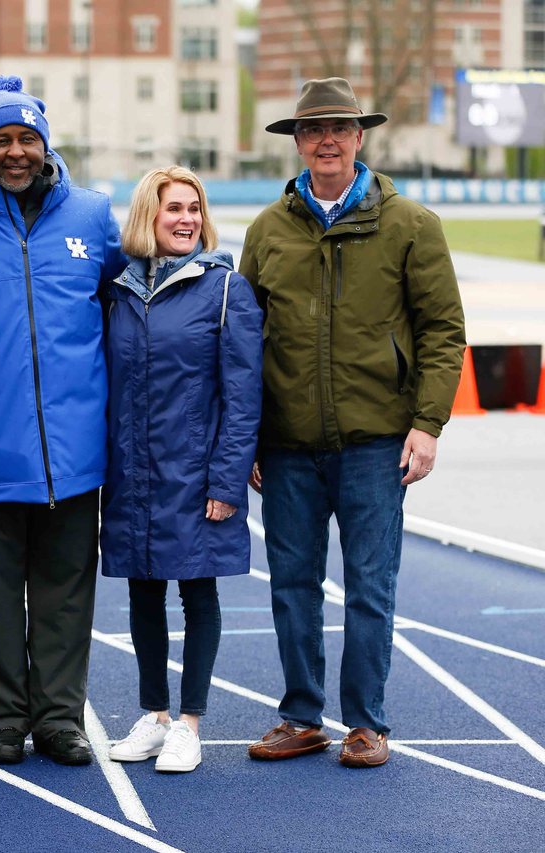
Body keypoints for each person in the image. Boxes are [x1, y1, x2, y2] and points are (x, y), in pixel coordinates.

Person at [241, 78, 465, 768]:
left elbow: (443, 331)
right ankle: (301, 714)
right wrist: (244, 437)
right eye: (314, 131)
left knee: (370, 583)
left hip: (377, 442)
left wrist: (427, 422)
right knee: (291, 584)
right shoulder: (268, 230)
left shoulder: (411, 225)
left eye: (340, 128)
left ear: (360, 137)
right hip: (285, 446)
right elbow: (243, 341)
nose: (327, 140)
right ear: (298, 142)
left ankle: (367, 722)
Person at [0, 75, 127, 766]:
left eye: (27, 139)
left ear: (46, 145)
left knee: (65, 599)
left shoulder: (93, 218)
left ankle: (59, 718)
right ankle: (2, 719)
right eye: (1, 141)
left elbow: (131, 308)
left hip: (74, 450)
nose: (15, 152)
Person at [101, 167, 262, 774]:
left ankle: (189, 723)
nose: (187, 219)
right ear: (149, 215)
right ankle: (155, 715)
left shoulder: (224, 290)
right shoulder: (117, 289)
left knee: (197, 589)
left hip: (195, 472)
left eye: (194, 209)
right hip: (133, 469)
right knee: (144, 587)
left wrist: (226, 480)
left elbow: (244, 397)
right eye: (174, 209)